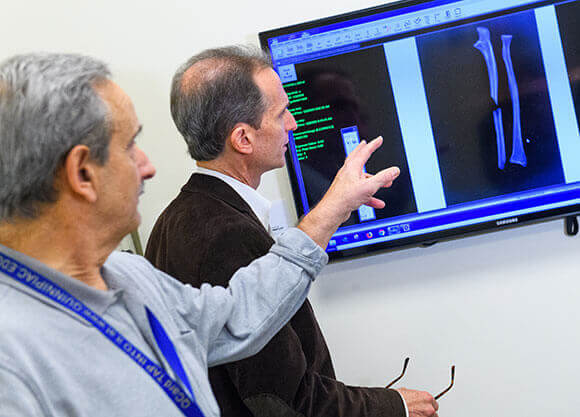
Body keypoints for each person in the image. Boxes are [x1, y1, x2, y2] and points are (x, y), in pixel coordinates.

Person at [0, 53, 406, 417]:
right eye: (130, 146)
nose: (148, 166)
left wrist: (332, 209)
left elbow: (237, 317)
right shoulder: (11, 358)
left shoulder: (128, 277)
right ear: (82, 173)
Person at [146, 46, 438, 417]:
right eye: (282, 113)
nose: (294, 124)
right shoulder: (226, 236)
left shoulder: (180, 219)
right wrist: (395, 406)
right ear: (243, 139)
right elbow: (287, 403)